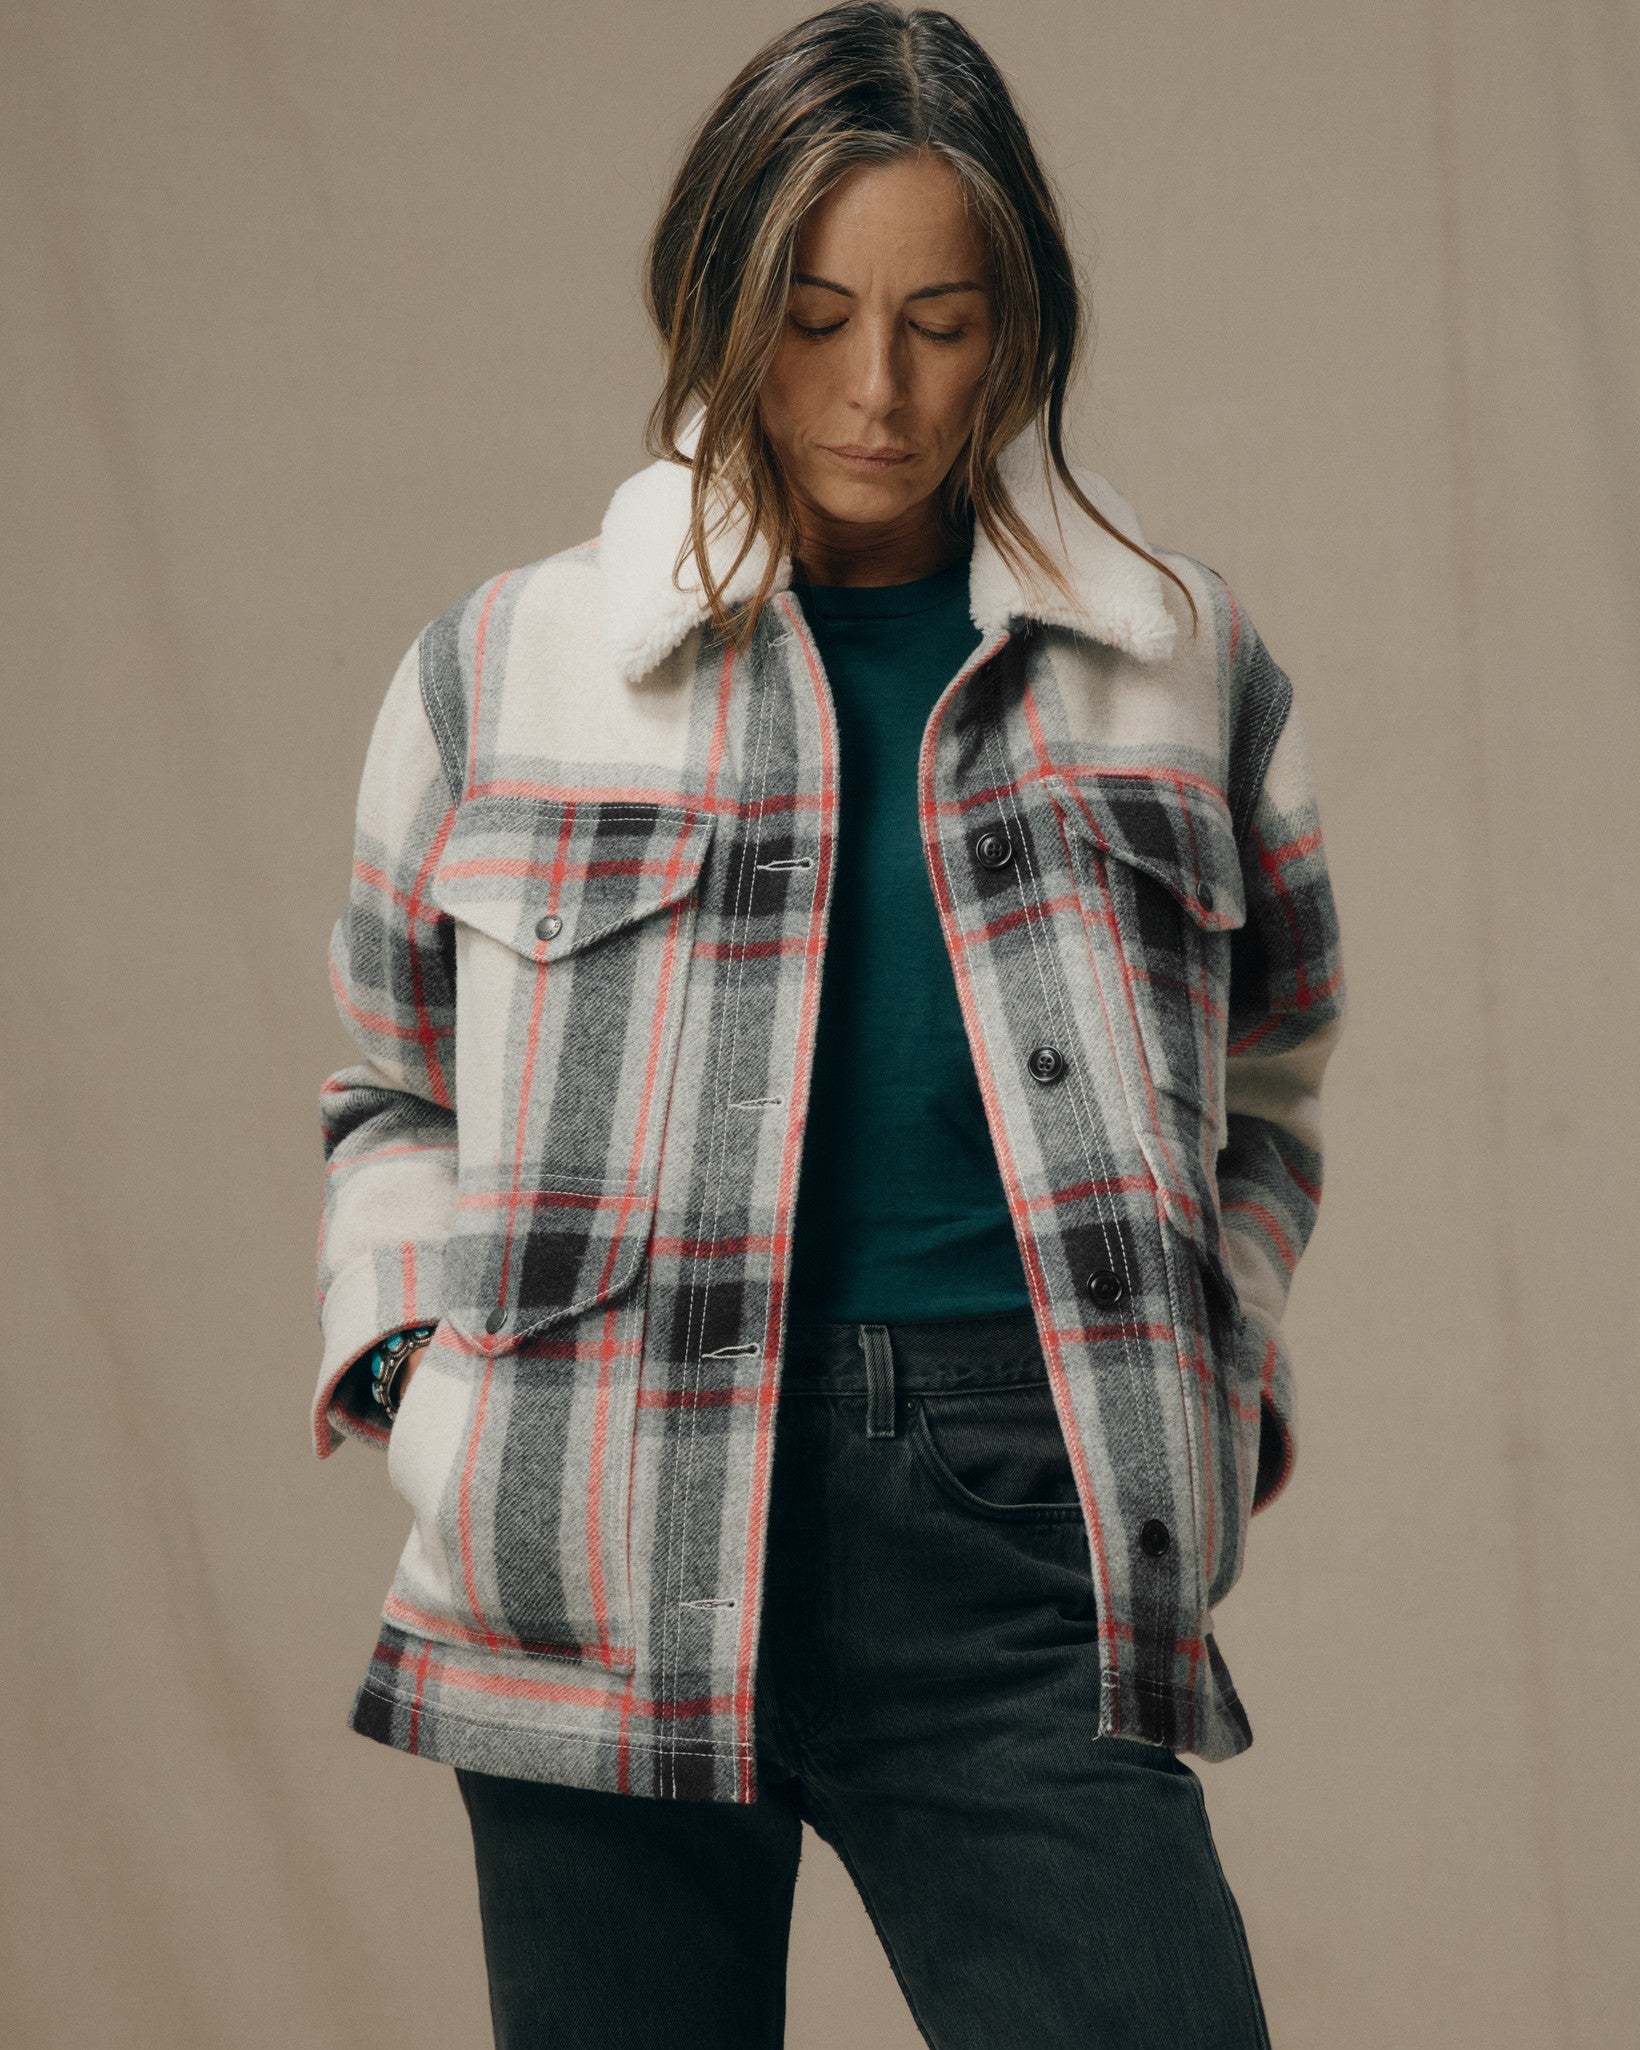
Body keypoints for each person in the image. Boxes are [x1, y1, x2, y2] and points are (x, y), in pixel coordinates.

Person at [309, 7, 1344, 2045]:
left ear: (1016, 326)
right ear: (717, 307)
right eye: (811, 319)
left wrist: (1208, 1385)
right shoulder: (509, 666)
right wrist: (435, 1395)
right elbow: (388, 1083)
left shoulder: (1175, 661)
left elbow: (1273, 1077)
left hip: (1015, 1515)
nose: (876, 388)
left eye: (941, 323)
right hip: (594, 1521)